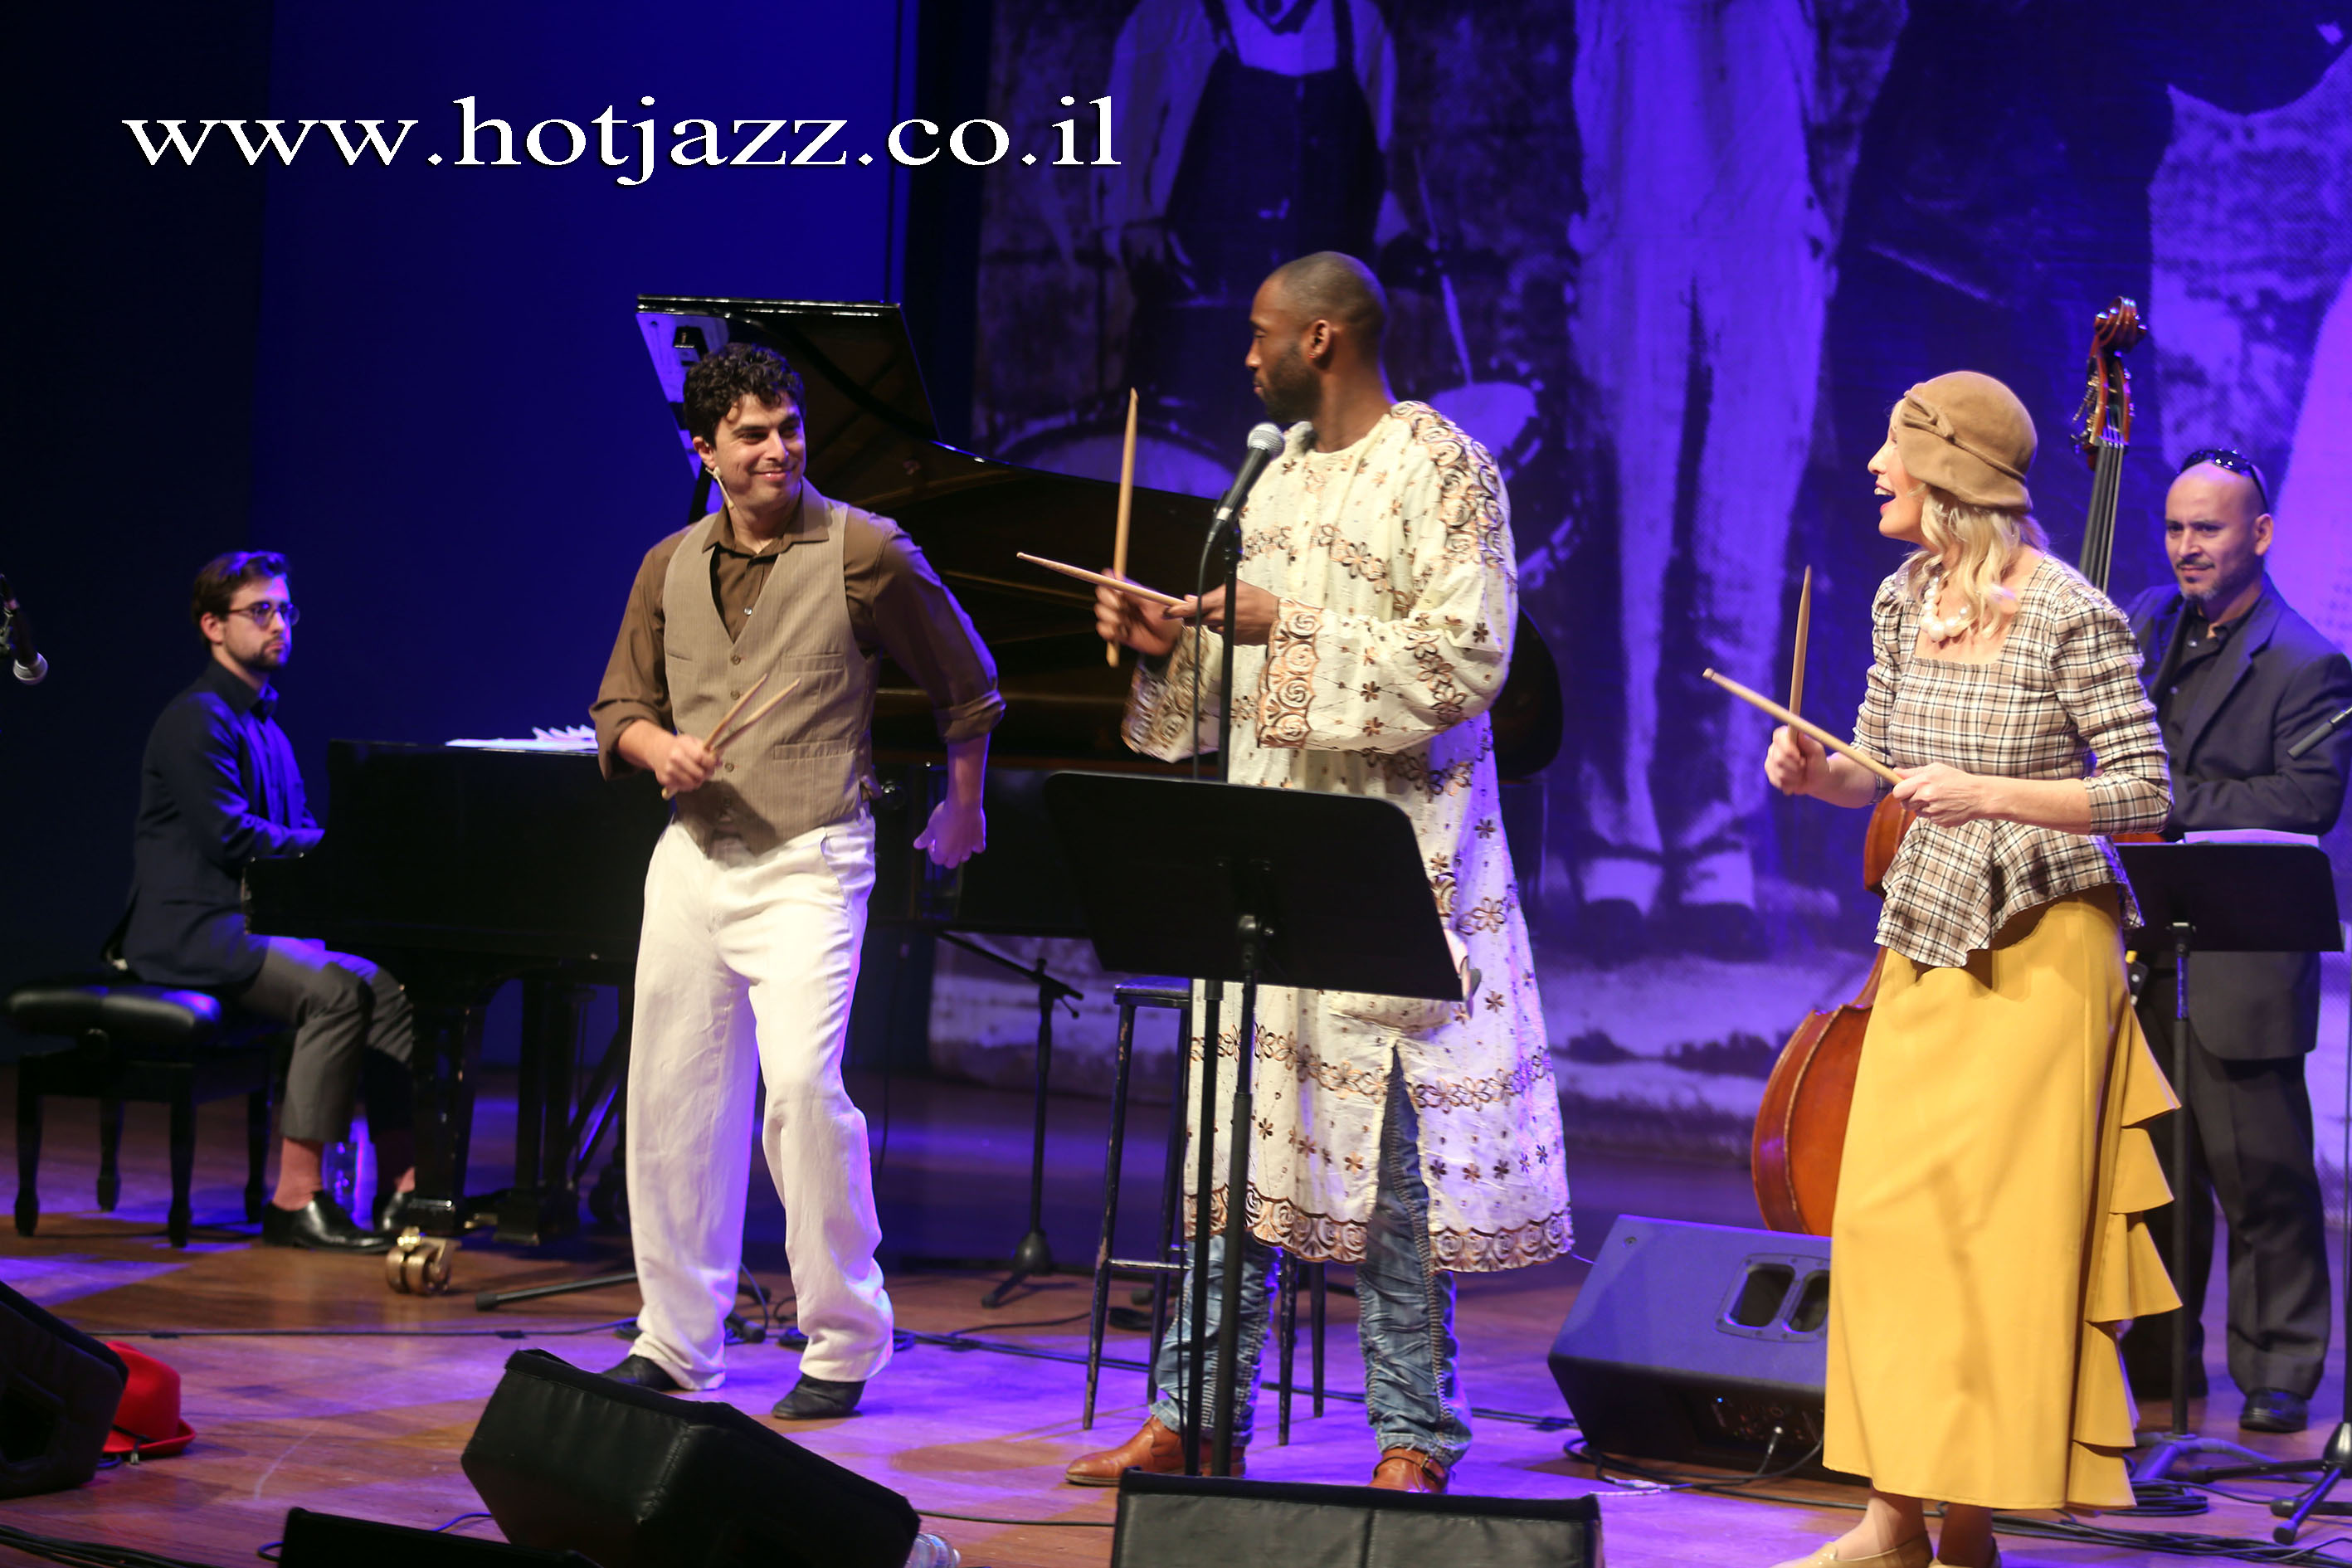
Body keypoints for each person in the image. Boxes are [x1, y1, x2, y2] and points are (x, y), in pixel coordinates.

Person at [1068, 251, 1570, 1494]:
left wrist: (1278, 626)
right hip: (1271, 857)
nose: (1246, 354)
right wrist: (1167, 644)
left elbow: (1468, 660)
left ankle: (1413, 1430)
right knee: (1235, 1150)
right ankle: (1195, 1412)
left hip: (1395, 860)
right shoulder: (1274, 480)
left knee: (1395, 1167)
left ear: (1323, 340)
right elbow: (1224, 696)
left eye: (1261, 332)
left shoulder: (1444, 467)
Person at [1761, 372, 2175, 1567]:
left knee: (1996, 1246)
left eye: (1895, 452)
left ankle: (1962, 1525)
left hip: (2040, 957)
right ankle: (1893, 1516)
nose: (1875, 470)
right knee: (1887, 1228)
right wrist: (1822, 775)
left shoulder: (2067, 613)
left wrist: (1994, 793)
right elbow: (1876, 762)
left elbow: (2143, 791)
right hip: (1926, 938)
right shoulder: (1903, 598)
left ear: (1949, 475)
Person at [589, 342, 1000, 1419]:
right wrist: (656, 747)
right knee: (673, 1104)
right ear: (703, 450)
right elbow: (618, 706)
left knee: (805, 1095)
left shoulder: (865, 550)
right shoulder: (667, 563)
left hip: (811, 857)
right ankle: (676, 1340)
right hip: (691, 859)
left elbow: (967, 686)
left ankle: (846, 1340)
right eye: (752, 435)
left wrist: (964, 805)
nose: (778, 449)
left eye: (790, 428)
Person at [2115, 450, 2352, 1434]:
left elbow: (2307, 799)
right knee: (2160, 1177)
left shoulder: (2307, 660)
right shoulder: (2144, 624)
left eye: (2207, 529)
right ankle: (2164, 1353)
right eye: (2175, 527)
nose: (2187, 547)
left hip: (2243, 956)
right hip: (2151, 948)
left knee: (2264, 1181)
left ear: (2259, 534)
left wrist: (2159, 807)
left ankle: (2280, 1364)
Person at [124, 551, 416, 1253]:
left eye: (285, 610)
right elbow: (229, 837)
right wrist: (333, 844)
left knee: (389, 983)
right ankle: (294, 1199)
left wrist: (344, 854)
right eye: (260, 611)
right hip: (194, 928)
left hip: (248, 925)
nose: (279, 623)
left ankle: (403, 1189)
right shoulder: (196, 719)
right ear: (212, 626)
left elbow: (294, 839)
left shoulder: (268, 728)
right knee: (337, 990)